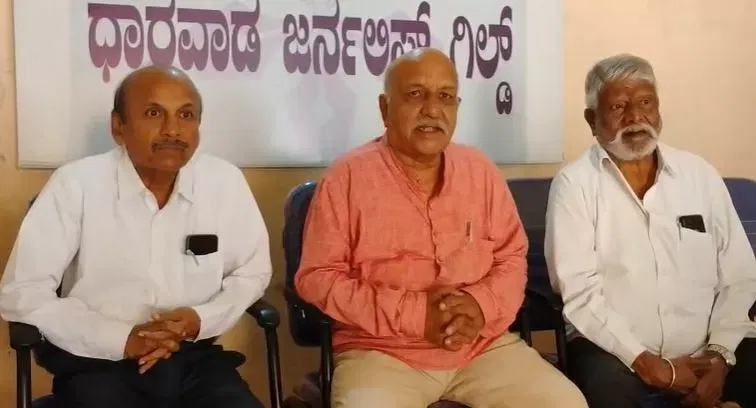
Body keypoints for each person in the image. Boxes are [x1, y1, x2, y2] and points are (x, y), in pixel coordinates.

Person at [294, 47, 588, 408]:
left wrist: (479, 306)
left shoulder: (481, 172)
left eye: (445, 97)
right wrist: (416, 315)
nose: (432, 109)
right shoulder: (346, 179)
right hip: (382, 353)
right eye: (416, 94)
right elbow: (318, 277)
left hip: (482, 347)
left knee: (566, 403)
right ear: (385, 109)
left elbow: (511, 258)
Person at [0, 66, 272, 408]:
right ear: (118, 126)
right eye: (154, 113)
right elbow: (22, 292)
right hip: (99, 362)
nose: (172, 130)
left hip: (192, 357)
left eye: (186, 115)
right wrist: (122, 339)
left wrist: (199, 319)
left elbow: (251, 272)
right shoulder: (75, 185)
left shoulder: (224, 182)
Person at [545, 53, 756, 408]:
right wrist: (648, 363)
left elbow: (740, 276)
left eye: (646, 103)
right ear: (591, 120)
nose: (635, 117)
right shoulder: (574, 185)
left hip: (710, 348)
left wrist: (719, 356)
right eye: (618, 107)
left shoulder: (699, 175)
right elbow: (578, 291)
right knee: (606, 391)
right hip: (616, 352)